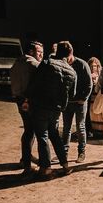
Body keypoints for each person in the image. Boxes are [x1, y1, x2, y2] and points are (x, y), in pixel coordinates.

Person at [25, 41, 77, 178]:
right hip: (57, 108)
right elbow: (72, 94)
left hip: (41, 105)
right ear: (69, 54)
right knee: (54, 135)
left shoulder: (47, 64)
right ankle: (65, 165)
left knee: (42, 136)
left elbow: (34, 83)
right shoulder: (72, 72)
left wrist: (27, 98)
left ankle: (46, 168)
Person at [10, 41, 44, 172]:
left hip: (19, 99)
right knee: (31, 131)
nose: (41, 55)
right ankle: (27, 164)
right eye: (39, 52)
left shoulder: (17, 62)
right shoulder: (33, 64)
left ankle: (25, 158)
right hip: (30, 100)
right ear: (31, 52)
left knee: (28, 129)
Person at [61, 42, 92, 163]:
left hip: (79, 102)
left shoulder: (82, 64)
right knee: (66, 128)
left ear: (71, 53)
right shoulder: (63, 64)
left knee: (80, 127)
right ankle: (64, 152)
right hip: (68, 102)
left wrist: (84, 98)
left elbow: (89, 84)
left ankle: (81, 152)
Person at [86, 57, 102, 138]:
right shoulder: (87, 74)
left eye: (95, 66)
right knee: (88, 114)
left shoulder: (100, 74)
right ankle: (88, 130)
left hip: (97, 97)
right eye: (91, 66)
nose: (93, 68)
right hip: (89, 97)